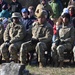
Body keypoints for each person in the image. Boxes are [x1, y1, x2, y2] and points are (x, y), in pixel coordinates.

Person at [19, 10, 53, 75]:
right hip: (34, 42)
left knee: (39, 45)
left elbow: (48, 38)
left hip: (44, 44)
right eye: (39, 17)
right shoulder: (34, 24)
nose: (40, 19)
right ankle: (23, 63)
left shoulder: (48, 26)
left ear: (45, 18)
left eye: (42, 17)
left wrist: (39, 39)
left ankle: (41, 63)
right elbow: (29, 33)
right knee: (24, 45)